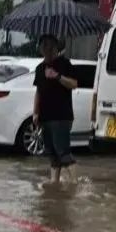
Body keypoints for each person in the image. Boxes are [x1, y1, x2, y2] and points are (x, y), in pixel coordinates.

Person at [32, 33, 78, 183]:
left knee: (63, 152)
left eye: (50, 45)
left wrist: (57, 76)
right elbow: (38, 91)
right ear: (40, 48)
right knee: (52, 154)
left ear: (56, 47)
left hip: (61, 116)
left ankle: (75, 183)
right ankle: (54, 183)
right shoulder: (40, 68)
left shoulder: (65, 64)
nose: (47, 48)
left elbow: (74, 84)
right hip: (45, 116)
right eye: (44, 45)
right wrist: (35, 112)